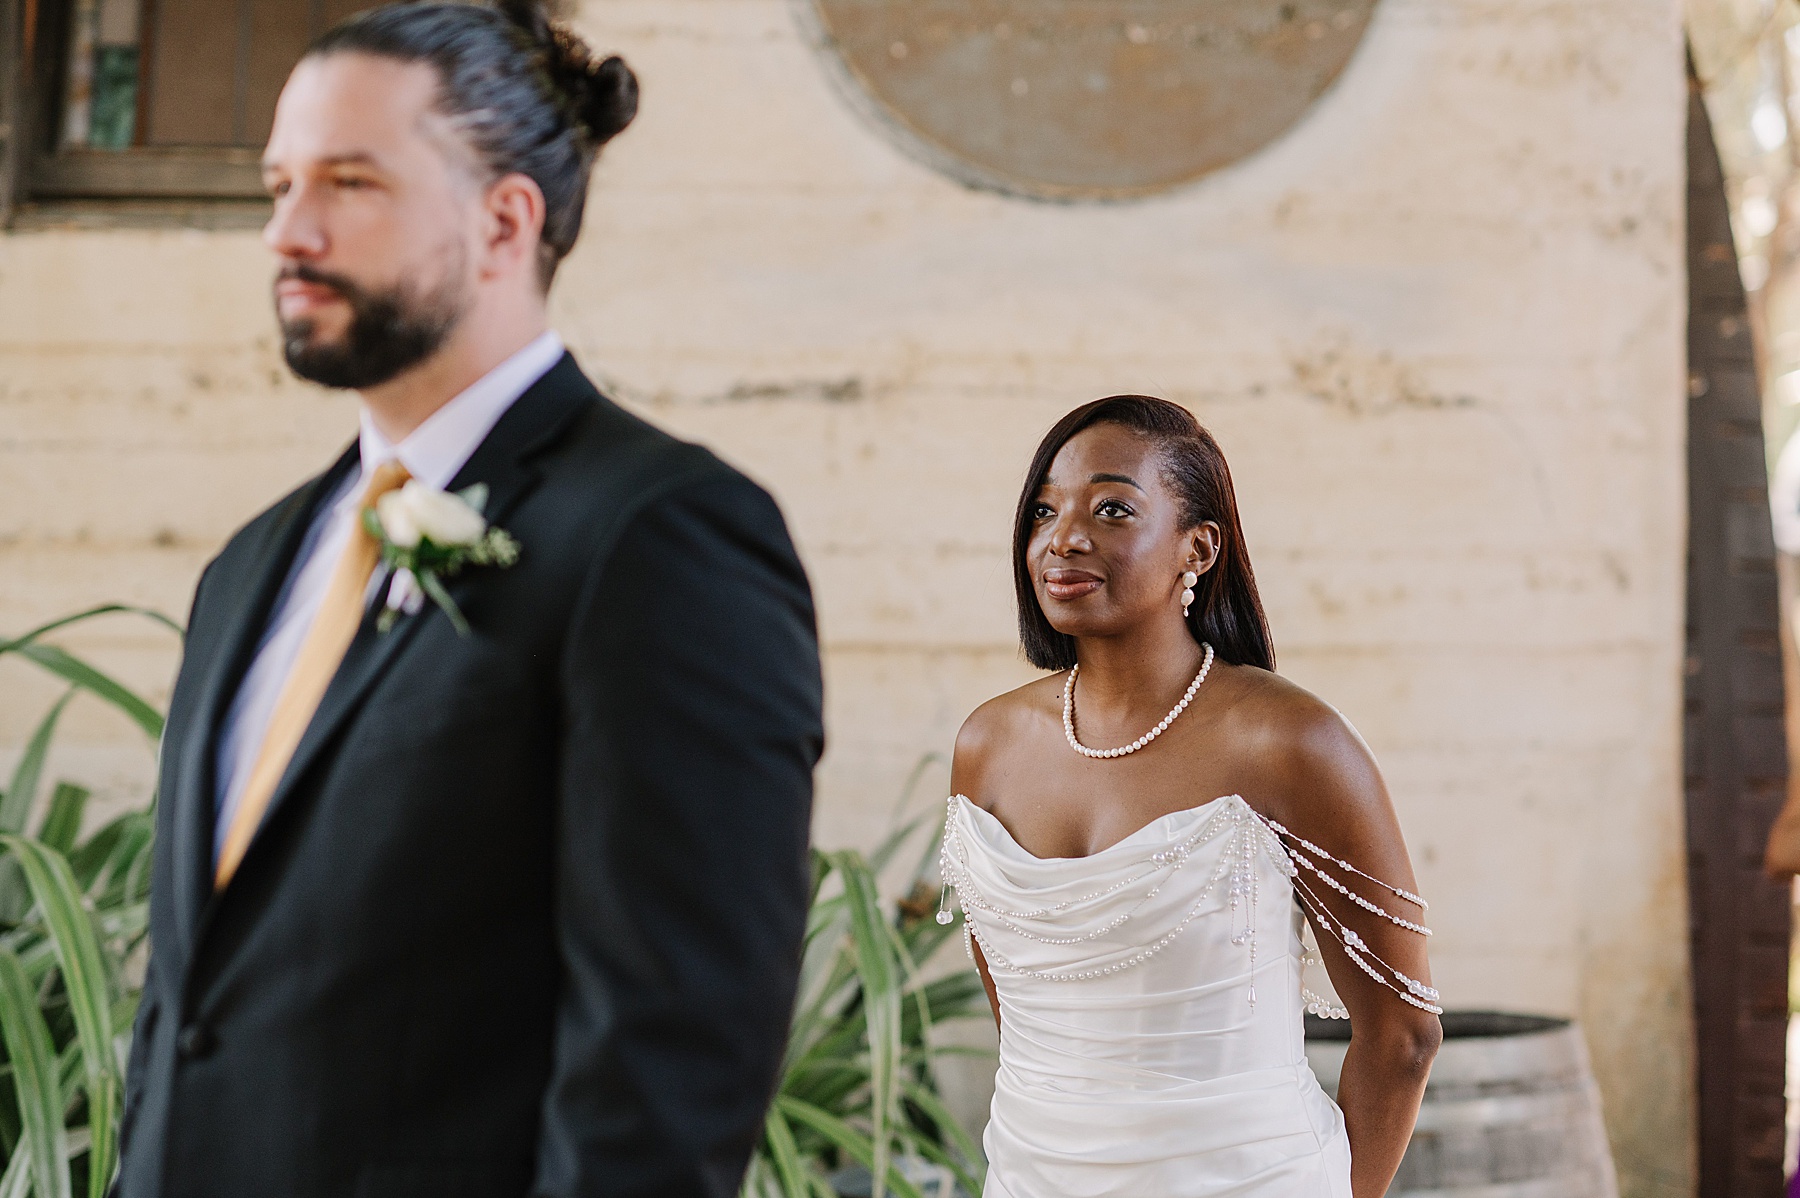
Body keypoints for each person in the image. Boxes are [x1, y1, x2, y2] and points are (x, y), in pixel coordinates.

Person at [115, 5, 823, 1196]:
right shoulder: (249, 565)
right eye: (280, 183)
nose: (289, 230)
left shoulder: (662, 537)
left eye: (350, 182)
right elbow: (194, 1018)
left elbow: (668, 1068)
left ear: (505, 219)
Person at [940, 396, 1441, 1197]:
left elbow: (1404, 1034)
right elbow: (1018, 993)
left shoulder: (1291, 743)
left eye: (1111, 508)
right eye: (1044, 509)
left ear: (1198, 548)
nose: (1063, 536)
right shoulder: (988, 744)